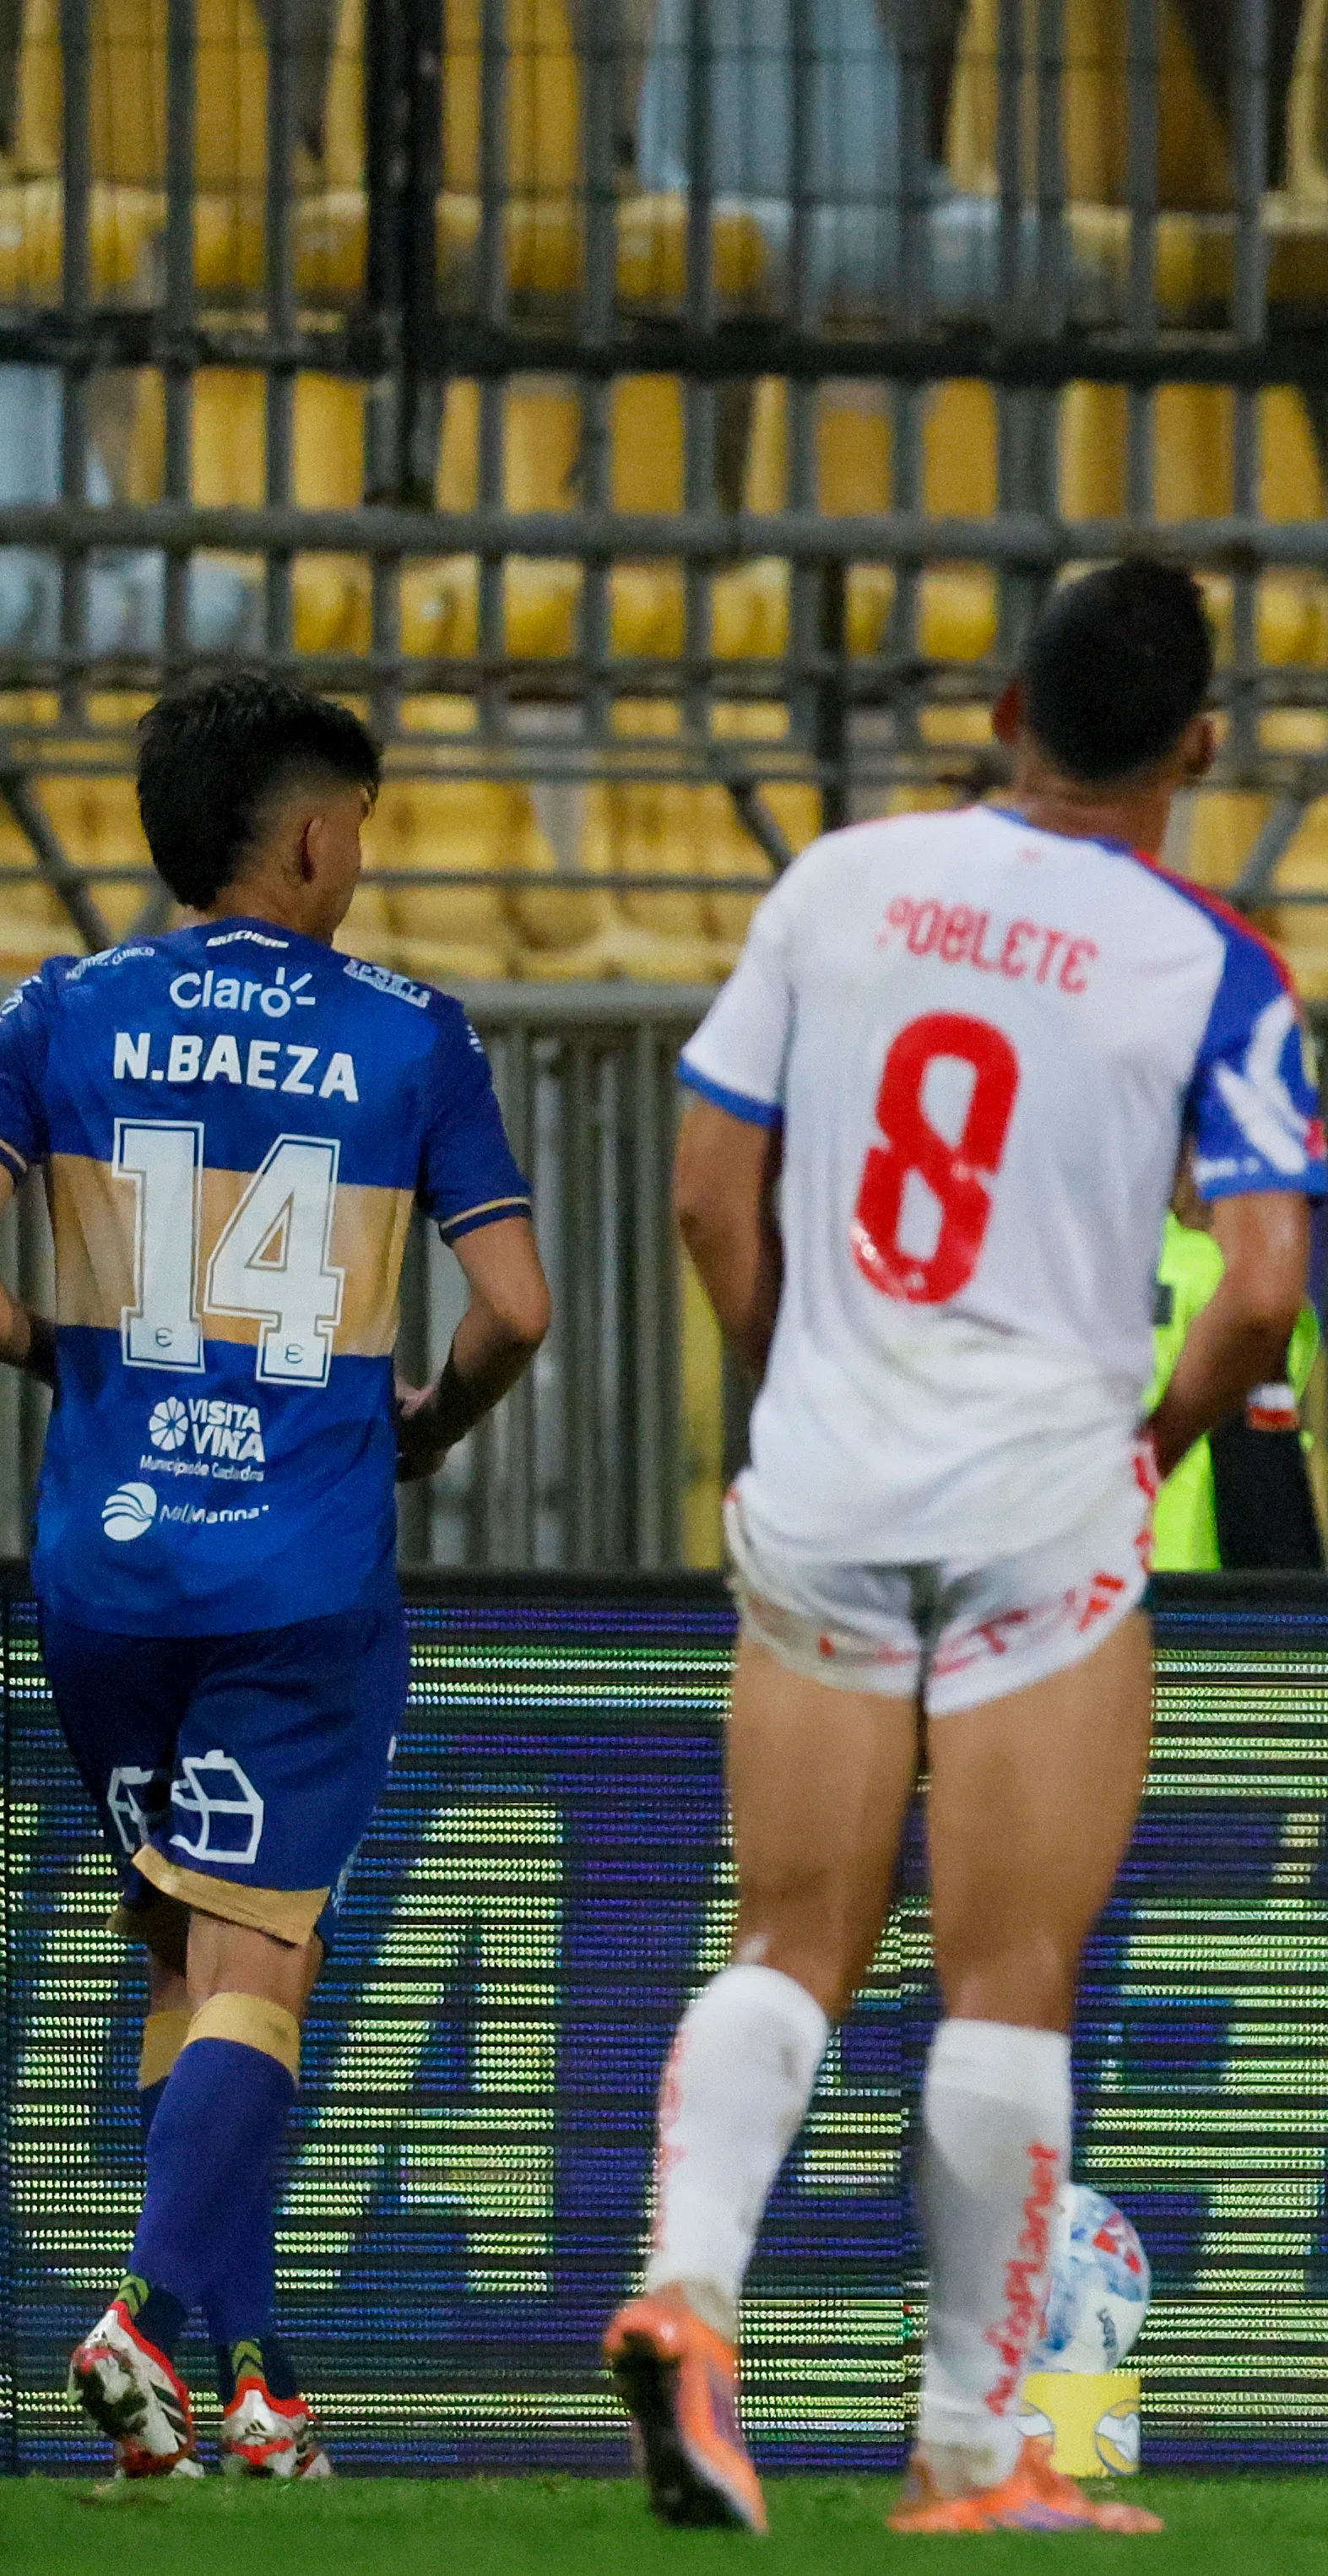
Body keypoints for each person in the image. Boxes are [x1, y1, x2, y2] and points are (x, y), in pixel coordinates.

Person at [612, 559, 1325, 2535]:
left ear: (1006, 705)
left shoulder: (835, 885)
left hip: (827, 1480)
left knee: (783, 1937)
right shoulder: (1214, 963)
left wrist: (798, 1378)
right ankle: (964, 2441)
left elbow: (702, 1190)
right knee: (1006, 1968)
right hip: (1037, 1504)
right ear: (1198, 743)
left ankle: (690, 2290)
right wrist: (1156, 1438)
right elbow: (1260, 1280)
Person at [9, 672, 551, 2481]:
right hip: (299, 1576)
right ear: (314, 838)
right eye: (364, 831)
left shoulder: (57, 1009)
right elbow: (516, 1311)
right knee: (261, 1961)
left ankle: (252, 2391)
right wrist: (430, 1425)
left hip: (104, 1568)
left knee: (187, 1941)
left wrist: (64, 1353)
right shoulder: (412, 1034)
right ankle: (146, 2318)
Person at [1149, 1185, 1326, 1571]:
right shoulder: (1235, 1293)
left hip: (1073, 1601)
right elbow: (1265, 1503)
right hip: (1198, 1600)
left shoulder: (1077, 1271)